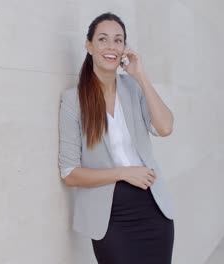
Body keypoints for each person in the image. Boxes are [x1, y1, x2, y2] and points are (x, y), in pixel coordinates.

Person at [58, 12, 175, 263]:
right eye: (103, 39)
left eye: (118, 40)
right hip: (110, 219)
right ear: (89, 46)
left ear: (124, 48)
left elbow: (165, 127)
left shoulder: (134, 88)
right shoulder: (73, 101)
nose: (111, 46)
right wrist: (123, 173)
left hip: (153, 210)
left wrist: (141, 77)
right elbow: (70, 173)